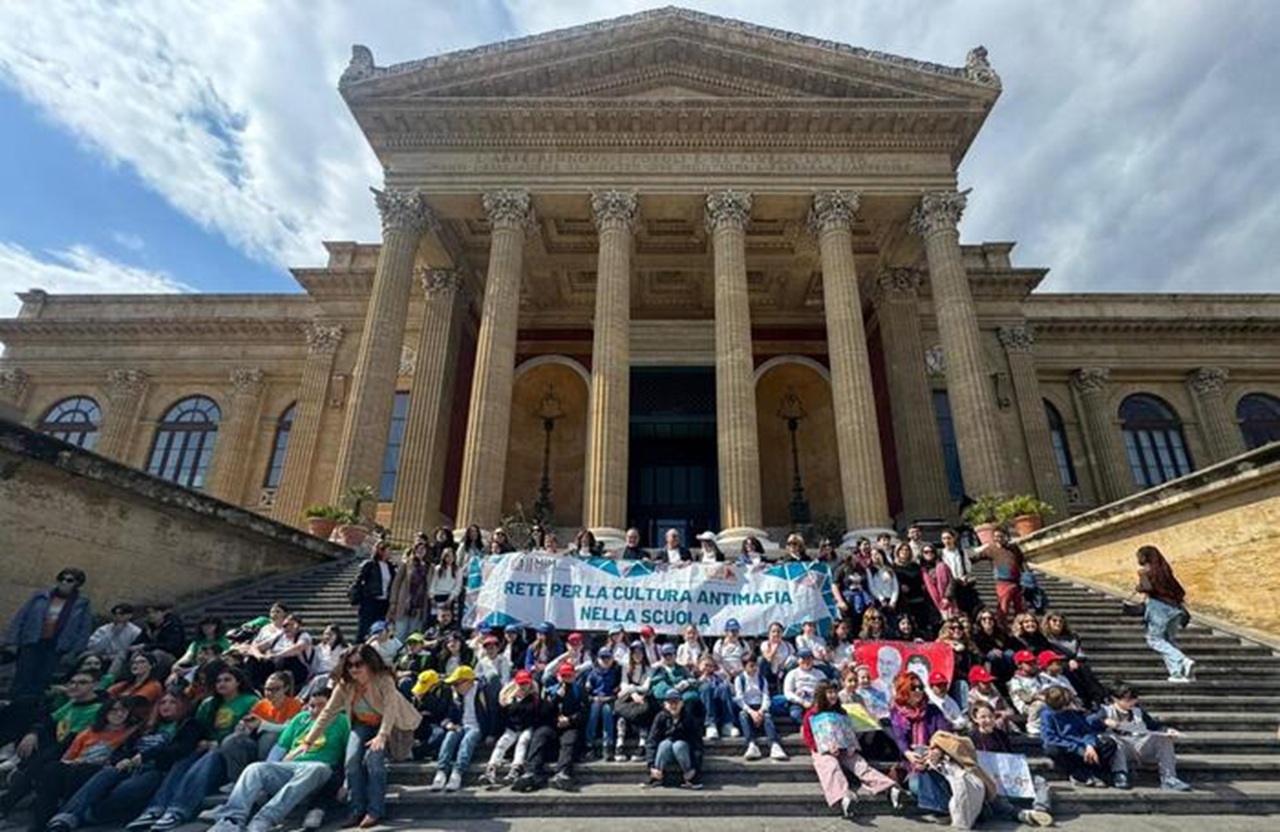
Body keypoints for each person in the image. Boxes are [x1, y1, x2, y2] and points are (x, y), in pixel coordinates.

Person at [299, 645, 422, 828]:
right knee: (351, 761)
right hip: (362, 723)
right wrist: (308, 740)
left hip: (388, 724)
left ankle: (374, 811)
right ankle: (356, 810)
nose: (354, 669)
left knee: (374, 762)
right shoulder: (345, 684)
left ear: (370, 663)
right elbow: (327, 712)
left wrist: (382, 735)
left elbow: (391, 708)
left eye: (359, 664)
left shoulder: (383, 678)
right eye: (350, 665)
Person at [129, 667, 260, 832]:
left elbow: (251, 731)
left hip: (232, 752)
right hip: (206, 748)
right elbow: (198, 729)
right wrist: (204, 742)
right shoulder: (208, 704)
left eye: (227, 680)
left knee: (211, 756)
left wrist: (218, 744)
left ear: (238, 682)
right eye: (218, 681)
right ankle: (155, 809)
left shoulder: (250, 700)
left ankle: (178, 810)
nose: (221, 684)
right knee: (183, 761)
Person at [46, 692, 200, 832]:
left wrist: (147, 756)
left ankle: (92, 814)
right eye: (163, 702)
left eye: (172, 702)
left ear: (182, 705)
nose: (166, 706)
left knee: (127, 789)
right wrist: (122, 759)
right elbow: (124, 749)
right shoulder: (146, 727)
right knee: (107, 773)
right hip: (129, 767)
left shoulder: (189, 725)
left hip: (155, 771)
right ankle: (65, 817)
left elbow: (182, 749)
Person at [205, 686, 348, 832]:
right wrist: (270, 766)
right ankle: (231, 820)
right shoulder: (300, 718)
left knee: (316, 768)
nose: (315, 710)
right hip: (290, 767)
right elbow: (280, 748)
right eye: (312, 705)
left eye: (321, 706)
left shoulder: (342, 721)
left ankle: (264, 819)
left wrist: (346, 782)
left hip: (320, 772)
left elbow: (349, 754)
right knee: (255, 768)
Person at [29, 696, 144, 832]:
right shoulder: (89, 732)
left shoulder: (133, 731)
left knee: (81, 770)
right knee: (52, 768)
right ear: (105, 712)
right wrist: (73, 762)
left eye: (123, 710)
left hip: (103, 771)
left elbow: (125, 756)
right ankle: (41, 822)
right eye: (114, 710)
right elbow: (69, 756)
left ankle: (63, 816)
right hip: (75, 765)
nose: (119, 714)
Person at [802, 681, 902, 818]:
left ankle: (888, 787)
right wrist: (823, 748)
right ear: (822, 695)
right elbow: (808, 737)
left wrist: (850, 745)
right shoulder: (811, 714)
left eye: (834, 692)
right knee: (830, 766)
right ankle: (843, 796)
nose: (833, 696)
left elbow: (848, 730)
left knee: (860, 764)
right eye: (829, 693)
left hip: (844, 747)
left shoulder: (841, 711)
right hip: (823, 749)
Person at [5, 567, 92, 699]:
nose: (64, 582)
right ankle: (12, 704)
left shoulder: (81, 603)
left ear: (77, 584)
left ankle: (31, 707)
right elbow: (22, 616)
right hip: (32, 640)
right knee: (22, 676)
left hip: (56, 645)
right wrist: (12, 640)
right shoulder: (41, 596)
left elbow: (84, 629)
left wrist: (75, 651)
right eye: (61, 579)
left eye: (69, 580)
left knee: (42, 678)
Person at [1101, 682, 1192, 791]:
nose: (1132, 702)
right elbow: (1090, 722)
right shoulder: (1105, 711)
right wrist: (1103, 721)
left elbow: (1154, 726)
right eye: (1127, 699)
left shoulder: (1137, 711)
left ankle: (1169, 778)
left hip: (1139, 744)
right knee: (1115, 740)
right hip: (1121, 749)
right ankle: (1120, 774)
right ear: (1115, 699)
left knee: (1163, 738)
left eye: (1134, 698)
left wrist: (1168, 731)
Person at [888, 672, 953, 820]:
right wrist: (909, 754)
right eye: (914, 687)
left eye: (921, 687)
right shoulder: (896, 713)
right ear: (904, 690)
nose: (918, 691)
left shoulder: (933, 710)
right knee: (916, 785)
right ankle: (943, 807)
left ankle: (942, 810)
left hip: (937, 758)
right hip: (912, 761)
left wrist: (936, 750)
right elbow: (900, 738)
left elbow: (944, 733)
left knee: (931, 777)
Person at [513, 663, 584, 792]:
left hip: (570, 726)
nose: (566, 678)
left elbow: (584, 713)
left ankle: (562, 773)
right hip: (552, 725)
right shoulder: (549, 691)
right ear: (558, 676)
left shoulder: (579, 690)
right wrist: (556, 698)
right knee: (539, 734)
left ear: (574, 676)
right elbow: (544, 712)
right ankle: (532, 772)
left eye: (569, 676)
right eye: (563, 676)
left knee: (569, 740)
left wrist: (569, 720)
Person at [1131, 545, 1195, 682]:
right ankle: (1177, 673)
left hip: (1159, 609)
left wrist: (1140, 583)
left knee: (1154, 640)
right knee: (1168, 641)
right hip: (1175, 609)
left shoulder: (1146, 572)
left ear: (1144, 557)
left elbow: (1148, 588)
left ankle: (1182, 660)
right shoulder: (1165, 571)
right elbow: (1180, 591)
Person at [1041, 685, 1126, 788]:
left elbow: (1086, 731)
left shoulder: (1073, 713)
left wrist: (1089, 745)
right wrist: (1077, 748)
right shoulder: (1047, 715)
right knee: (1052, 749)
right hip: (1067, 746)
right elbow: (1050, 738)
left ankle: (1089, 772)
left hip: (1081, 744)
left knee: (1109, 744)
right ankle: (1081, 773)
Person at [430, 665, 487, 792]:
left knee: (468, 740)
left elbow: (493, 714)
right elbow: (448, 715)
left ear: (469, 681)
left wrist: (492, 734)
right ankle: (441, 771)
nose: (454, 686)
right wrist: (448, 724)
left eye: (457, 683)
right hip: (461, 725)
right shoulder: (456, 696)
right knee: (450, 736)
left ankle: (458, 772)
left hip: (477, 727)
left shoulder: (484, 692)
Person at [481, 669, 540, 786]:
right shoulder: (510, 697)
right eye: (521, 683)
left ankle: (516, 768)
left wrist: (520, 701)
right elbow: (504, 714)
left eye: (526, 683)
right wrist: (510, 700)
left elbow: (531, 712)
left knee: (522, 742)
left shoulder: (534, 698)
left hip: (526, 727)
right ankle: (491, 768)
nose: (523, 686)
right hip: (512, 728)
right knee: (502, 743)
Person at [642, 688, 703, 789]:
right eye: (670, 703)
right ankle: (657, 776)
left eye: (676, 702)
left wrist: (695, 768)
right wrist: (651, 766)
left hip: (684, 752)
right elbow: (652, 741)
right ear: (665, 704)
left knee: (678, 745)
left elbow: (697, 743)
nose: (673, 705)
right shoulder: (660, 717)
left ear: (682, 703)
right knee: (665, 744)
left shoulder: (689, 718)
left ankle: (690, 778)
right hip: (665, 751)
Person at [733, 654, 787, 761]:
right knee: (743, 716)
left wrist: (761, 711)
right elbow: (739, 699)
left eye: (756, 666)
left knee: (767, 717)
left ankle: (774, 744)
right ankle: (751, 744)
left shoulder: (762, 679)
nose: (754, 669)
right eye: (751, 666)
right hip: (747, 707)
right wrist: (752, 712)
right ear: (744, 667)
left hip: (760, 706)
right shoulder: (740, 679)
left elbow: (766, 696)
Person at [973, 528, 1027, 621]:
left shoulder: (1014, 548)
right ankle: (1002, 627)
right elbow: (976, 557)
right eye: (996, 537)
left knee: (1020, 608)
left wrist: (1025, 577)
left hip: (1017, 581)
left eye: (1001, 536)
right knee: (1003, 607)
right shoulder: (991, 549)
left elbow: (1021, 562)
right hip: (1003, 582)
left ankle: (1020, 628)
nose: (998, 538)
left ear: (1006, 536)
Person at [614, 641, 653, 762]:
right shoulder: (626, 667)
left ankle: (642, 744)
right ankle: (619, 744)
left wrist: (633, 690)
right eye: (635, 652)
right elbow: (623, 683)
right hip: (629, 696)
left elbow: (646, 686)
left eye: (640, 652)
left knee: (644, 712)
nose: (637, 655)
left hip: (642, 696)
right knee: (621, 714)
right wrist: (633, 693)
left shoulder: (648, 669)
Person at [386, 541, 430, 642]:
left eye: (423, 549)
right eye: (418, 549)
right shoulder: (406, 564)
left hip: (419, 605)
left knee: (413, 634)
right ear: (414, 551)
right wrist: (393, 602)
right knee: (400, 633)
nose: (421, 551)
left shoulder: (428, 566)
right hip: (404, 603)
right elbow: (396, 583)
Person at [350, 544, 396, 641]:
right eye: (389, 550)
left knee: (380, 628)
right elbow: (358, 581)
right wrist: (355, 599)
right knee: (365, 628)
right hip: (370, 600)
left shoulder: (390, 567)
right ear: (381, 551)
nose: (391, 552)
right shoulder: (370, 565)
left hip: (384, 602)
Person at [584, 648, 622, 759]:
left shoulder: (615, 672)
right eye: (603, 658)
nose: (605, 660)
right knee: (594, 712)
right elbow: (587, 691)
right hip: (596, 700)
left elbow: (618, 689)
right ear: (598, 659)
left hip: (610, 699)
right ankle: (589, 745)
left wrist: (611, 697)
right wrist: (593, 698)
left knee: (607, 712)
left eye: (608, 658)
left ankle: (608, 745)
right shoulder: (592, 673)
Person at [85, 604, 142, 677]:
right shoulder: (103, 629)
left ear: (129, 615)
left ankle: (108, 680)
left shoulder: (135, 631)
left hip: (123, 659)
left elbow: (134, 650)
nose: (117, 616)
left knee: (121, 657)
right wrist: (112, 634)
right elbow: (92, 647)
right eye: (115, 614)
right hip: (102, 656)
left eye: (121, 614)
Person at [939, 528, 982, 617]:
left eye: (948, 538)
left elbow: (968, 568)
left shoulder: (961, 553)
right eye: (944, 538)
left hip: (962, 584)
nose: (946, 541)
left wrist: (966, 577)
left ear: (953, 539)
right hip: (947, 587)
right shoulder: (940, 554)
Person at [694, 655, 737, 740]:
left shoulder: (718, 677)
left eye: (711, 666)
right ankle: (710, 725)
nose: (708, 668)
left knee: (724, 687)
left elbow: (732, 690)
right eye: (706, 665)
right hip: (703, 703)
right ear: (699, 665)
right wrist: (700, 681)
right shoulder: (694, 677)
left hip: (718, 702)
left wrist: (727, 680)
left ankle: (727, 724)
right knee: (706, 687)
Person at [1009, 649, 1046, 737]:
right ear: (1019, 665)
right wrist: (1039, 696)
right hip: (1026, 706)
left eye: (1033, 662)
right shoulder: (1016, 681)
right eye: (1028, 663)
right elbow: (1025, 698)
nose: (1033, 665)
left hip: (1041, 701)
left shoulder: (1038, 677)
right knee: (1039, 704)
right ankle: (1033, 727)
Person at [783, 649, 825, 724]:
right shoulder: (792, 674)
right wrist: (802, 702)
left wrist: (817, 701)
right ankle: (806, 727)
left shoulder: (820, 674)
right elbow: (788, 692)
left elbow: (825, 688)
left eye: (809, 659)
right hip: (799, 701)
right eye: (803, 659)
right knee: (795, 714)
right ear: (798, 660)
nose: (806, 661)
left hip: (816, 700)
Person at [919, 544, 957, 620]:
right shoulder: (921, 569)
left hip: (945, 600)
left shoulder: (942, 565)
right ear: (922, 554)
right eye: (926, 552)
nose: (929, 553)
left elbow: (951, 581)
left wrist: (947, 597)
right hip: (929, 601)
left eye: (931, 551)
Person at [428, 548, 464, 621]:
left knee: (447, 619)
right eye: (447, 556)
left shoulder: (458, 570)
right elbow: (433, 583)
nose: (449, 559)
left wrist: (450, 599)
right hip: (437, 596)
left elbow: (458, 586)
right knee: (435, 619)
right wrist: (432, 597)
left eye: (451, 556)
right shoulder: (438, 569)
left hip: (449, 597)